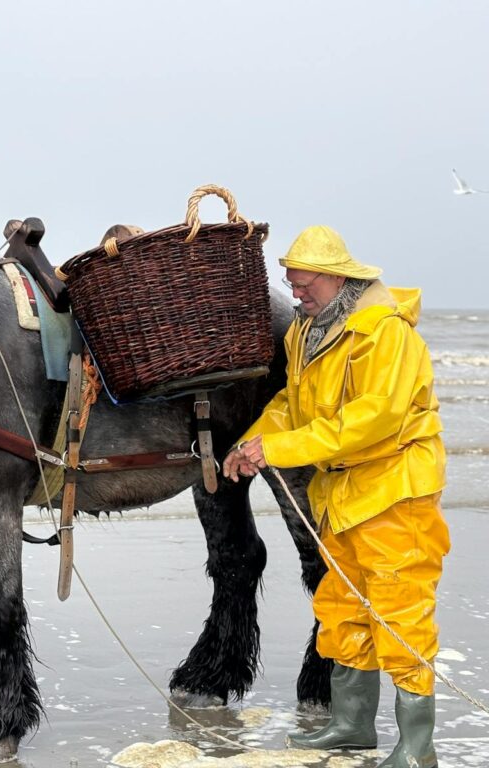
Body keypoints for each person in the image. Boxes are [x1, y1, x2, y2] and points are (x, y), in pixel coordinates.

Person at [222, 225, 448, 768]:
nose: (294, 294)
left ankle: (418, 748)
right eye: (291, 285)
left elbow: (374, 419)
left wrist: (285, 449)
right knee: (342, 609)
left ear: (335, 277)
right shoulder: (306, 331)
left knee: (399, 611)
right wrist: (255, 441)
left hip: (394, 487)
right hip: (342, 493)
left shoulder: (384, 332)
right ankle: (351, 726)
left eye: (302, 285)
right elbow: (292, 404)